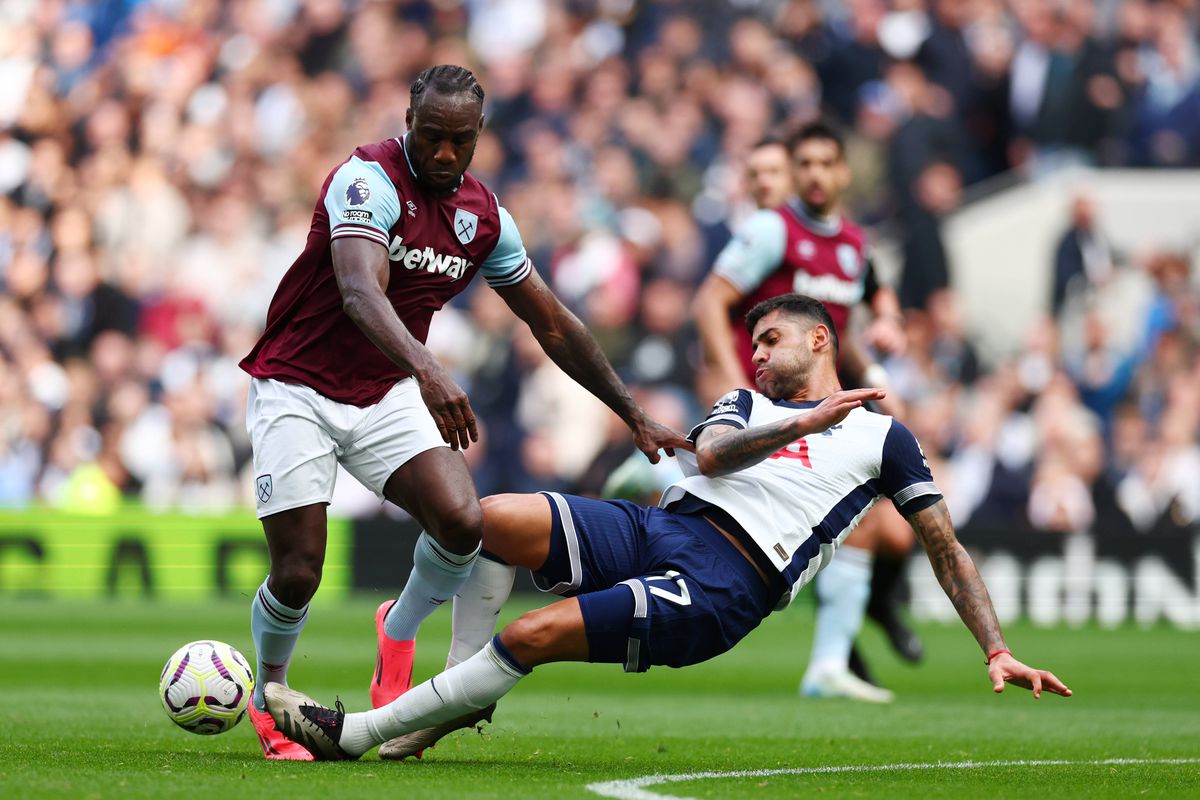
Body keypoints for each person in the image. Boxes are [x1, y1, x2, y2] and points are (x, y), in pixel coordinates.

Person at [261, 294, 1072, 762]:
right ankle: (454, 692)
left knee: (538, 632)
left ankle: (357, 733)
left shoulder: (881, 435)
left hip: (728, 582)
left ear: (821, 339)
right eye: (752, 342)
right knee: (482, 518)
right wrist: (802, 421)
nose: (754, 354)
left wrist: (994, 646)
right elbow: (714, 456)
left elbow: (944, 545)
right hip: (665, 526)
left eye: (771, 339)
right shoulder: (749, 406)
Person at [238, 64, 687, 760]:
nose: (444, 153)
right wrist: (429, 370)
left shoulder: (485, 218)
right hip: (297, 386)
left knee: (462, 523)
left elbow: (556, 325)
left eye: (460, 141)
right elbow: (359, 291)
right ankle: (273, 698)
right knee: (299, 571)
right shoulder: (366, 182)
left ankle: (400, 626)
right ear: (408, 121)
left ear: (480, 135)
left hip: (383, 390)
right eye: (431, 136)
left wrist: (632, 412)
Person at [692, 120, 917, 702]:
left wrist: (882, 345)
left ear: (843, 171)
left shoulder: (852, 244)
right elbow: (710, 301)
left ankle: (849, 641)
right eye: (806, 164)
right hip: (776, 403)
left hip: (829, 402)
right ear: (796, 172)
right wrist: (736, 383)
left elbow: (860, 305)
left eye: (826, 163)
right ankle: (839, 653)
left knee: (885, 531)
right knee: (859, 524)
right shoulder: (774, 230)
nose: (816, 175)